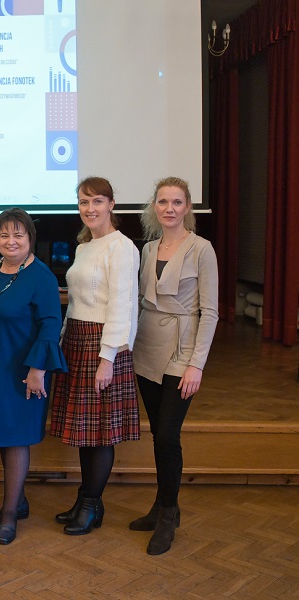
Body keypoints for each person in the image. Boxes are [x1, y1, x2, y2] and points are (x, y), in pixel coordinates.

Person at [0, 208, 68, 545]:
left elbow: (51, 324)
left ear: (30, 239)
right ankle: (18, 500)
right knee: (2, 433)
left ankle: (10, 514)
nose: (11, 241)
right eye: (4, 235)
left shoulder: (41, 276)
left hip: (23, 369)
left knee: (16, 437)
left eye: (18, 235)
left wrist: (38, 369)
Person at [131, 177, 218, 555]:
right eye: (163, 202)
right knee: (158, 433)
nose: (169, 208)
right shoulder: (148, 248)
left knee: (168, 434)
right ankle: (162, 504)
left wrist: (197, 365)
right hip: (147, 347)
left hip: (182, 350)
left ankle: (168, 515)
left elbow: (210, 312)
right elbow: (138, 300)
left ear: (188, 208)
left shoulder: (202, 249)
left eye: (177, 202)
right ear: (154, 207)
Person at [50, 176, 140, 536]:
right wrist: (62, 338)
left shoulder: (122, 247)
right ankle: (87, 499)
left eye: (97, 201)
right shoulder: (85, 246)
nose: (90, 208)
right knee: (86, 430)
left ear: (111, 205)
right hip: (77, 340)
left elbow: (122, 306)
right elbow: (76, 302)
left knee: (100, 432)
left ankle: (91, 504)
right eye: (83, 202)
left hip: (103, 344)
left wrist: (108, 358)